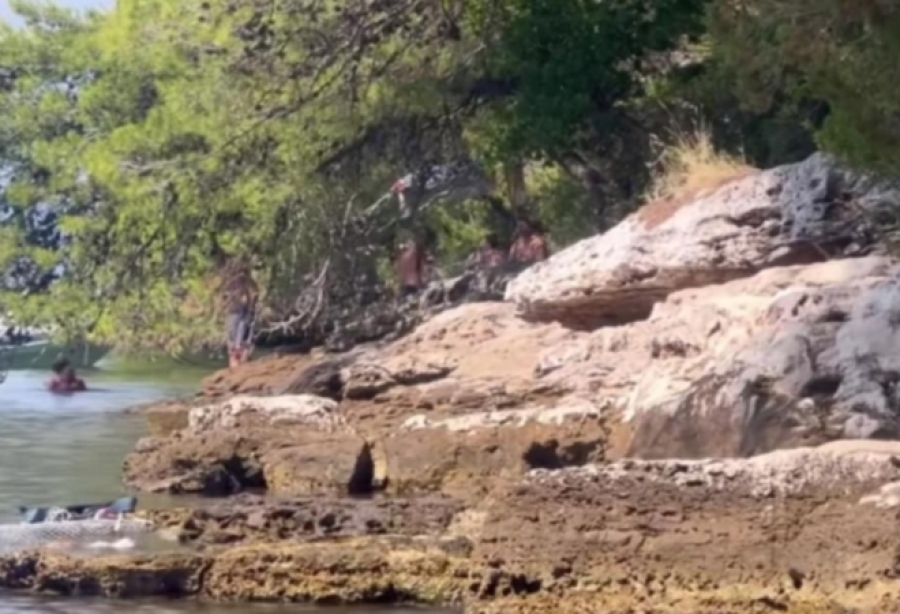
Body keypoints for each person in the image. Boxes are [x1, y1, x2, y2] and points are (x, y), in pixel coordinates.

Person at [219, 256, 259, 370]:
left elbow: (254, 292)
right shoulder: (231, 280)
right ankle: (236, 363)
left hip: (243, 312)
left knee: (243, 338)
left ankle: (241, 362)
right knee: (234, 338)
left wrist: (251, 301)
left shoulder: (245, 279)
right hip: (234, 312)